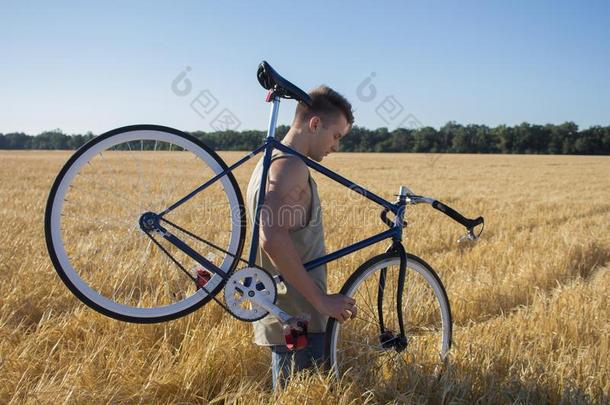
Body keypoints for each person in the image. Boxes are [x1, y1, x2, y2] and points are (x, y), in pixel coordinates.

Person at [246, 85, 357, 389]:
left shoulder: (273, 161)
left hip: (294, 312)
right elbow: (273, 238)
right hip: (298, 317)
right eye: (336, 136)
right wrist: (321, 300)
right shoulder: (289, 167)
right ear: (315, 124)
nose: (336, 147)